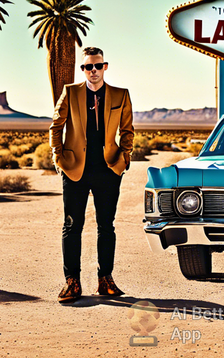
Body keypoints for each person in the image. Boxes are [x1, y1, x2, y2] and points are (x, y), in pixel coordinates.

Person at [49, 46, 135, 304]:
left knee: (106, 226)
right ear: (83, 69)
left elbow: (128, 129)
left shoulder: (121, 94)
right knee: (72, 225)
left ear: (105, 67)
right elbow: (56, 125)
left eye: (98, 66)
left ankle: (105, 279)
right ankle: (72, 282)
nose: (93, 71)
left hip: (108, 169)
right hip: (75, 168)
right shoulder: (71, 92)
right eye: (88, 66)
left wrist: (125, 156)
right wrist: (57, 156)